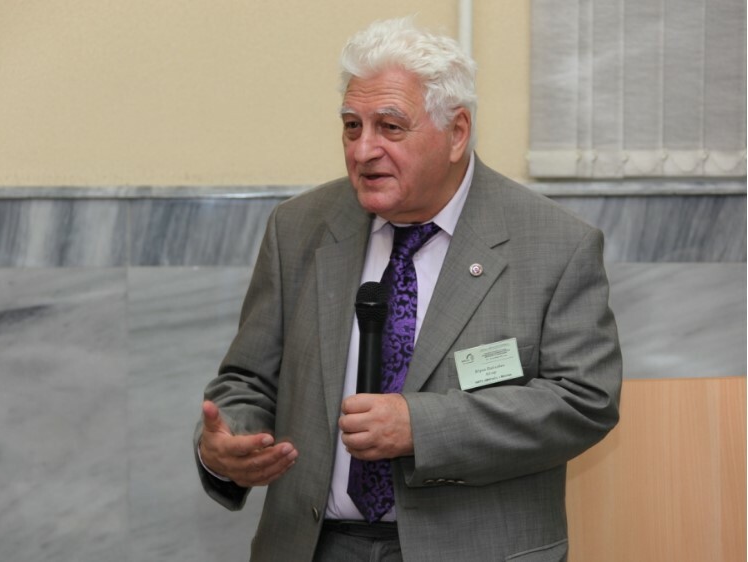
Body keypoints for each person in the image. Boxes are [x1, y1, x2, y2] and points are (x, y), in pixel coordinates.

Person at [194, 17, 621, 562]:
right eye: (352, 126)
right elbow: (250, 379)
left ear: (456, 132)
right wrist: (230, 441)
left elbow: (584, 400)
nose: (363, 150)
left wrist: (421, 425)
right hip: (315, 546)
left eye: (390, 127)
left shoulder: (555, 243)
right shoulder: (298, 228)